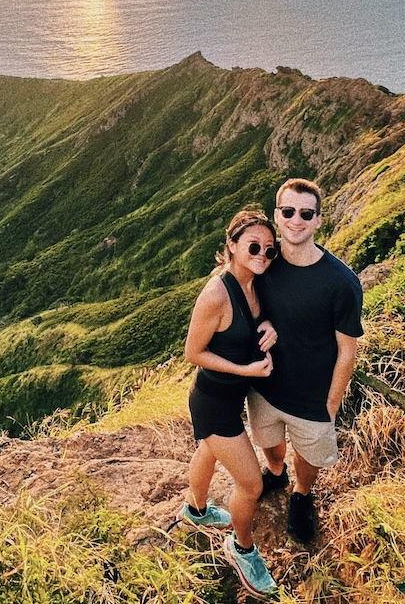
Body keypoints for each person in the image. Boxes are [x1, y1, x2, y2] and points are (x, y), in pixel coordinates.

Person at [249, 178, 363, 544]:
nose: (296, 220)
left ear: (318, 220)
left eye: (306, 213)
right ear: (277, 217)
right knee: (269, 440)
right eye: (288, 212)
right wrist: (263, 322)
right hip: (265, 386)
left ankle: (300, 494)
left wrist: (330, 406)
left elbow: (348, 350)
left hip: (313, 396)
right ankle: (276, 472)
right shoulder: (263, 265)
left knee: (310, 455)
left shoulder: (341, 283)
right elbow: (248, 309)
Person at [181, 209, 280, 597]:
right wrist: (245, 372)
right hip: (213, 402)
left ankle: (196, 510)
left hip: (227, 398)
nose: (261, 254)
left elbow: (264, 317)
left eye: (269, 250)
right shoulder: (216, 293)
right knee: (252, 484)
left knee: (208, 449)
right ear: (232, 246)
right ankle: (241, 548)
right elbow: (193, 352)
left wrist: (269, 325)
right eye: (253, 246)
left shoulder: (256, 283)